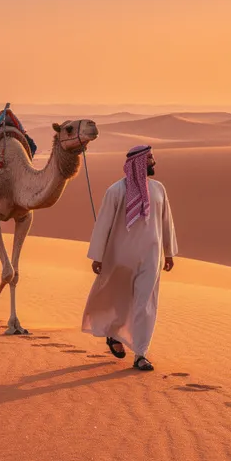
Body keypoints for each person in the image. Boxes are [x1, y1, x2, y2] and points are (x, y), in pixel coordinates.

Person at [81, 145, 178, 370]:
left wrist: (169, 251)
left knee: (146, 304)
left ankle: (141, 354)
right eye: (151, 159)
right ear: (139, 163)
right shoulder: (116, 191)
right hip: (120, 257)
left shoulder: (159, 189)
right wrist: (97, 256)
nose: (154, 163)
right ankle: (113, 334)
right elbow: (103, 224)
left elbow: (167, 221)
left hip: (151, 257)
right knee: (119, 301)